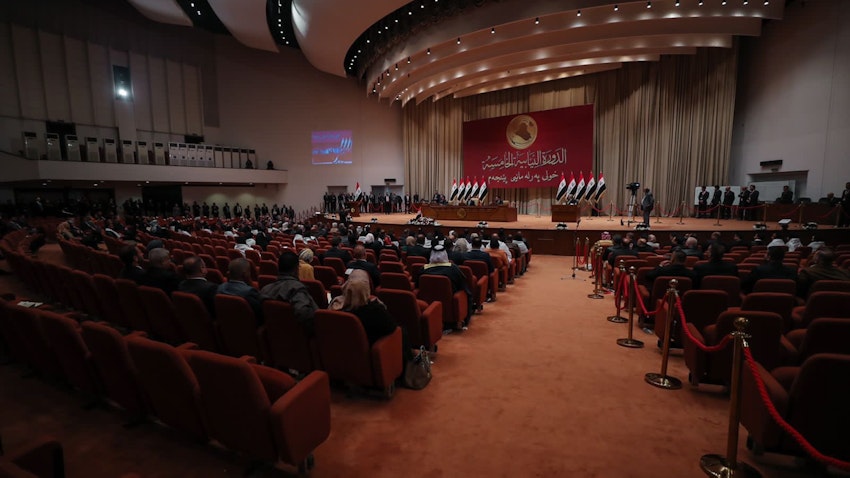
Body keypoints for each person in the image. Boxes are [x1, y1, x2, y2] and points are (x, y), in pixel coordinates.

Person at [260, 250, 318, 333]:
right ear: (296, 269)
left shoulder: (265, 289)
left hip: (273, 336)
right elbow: (305, 314)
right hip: (299, 338)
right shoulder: (298, 290)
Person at [418, 244, 473, 329]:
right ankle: (464, 320)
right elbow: (463, 285)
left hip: (428, 306)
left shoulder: (423, 269)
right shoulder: (453, 269)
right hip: (450, 306)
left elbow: (418, 286)